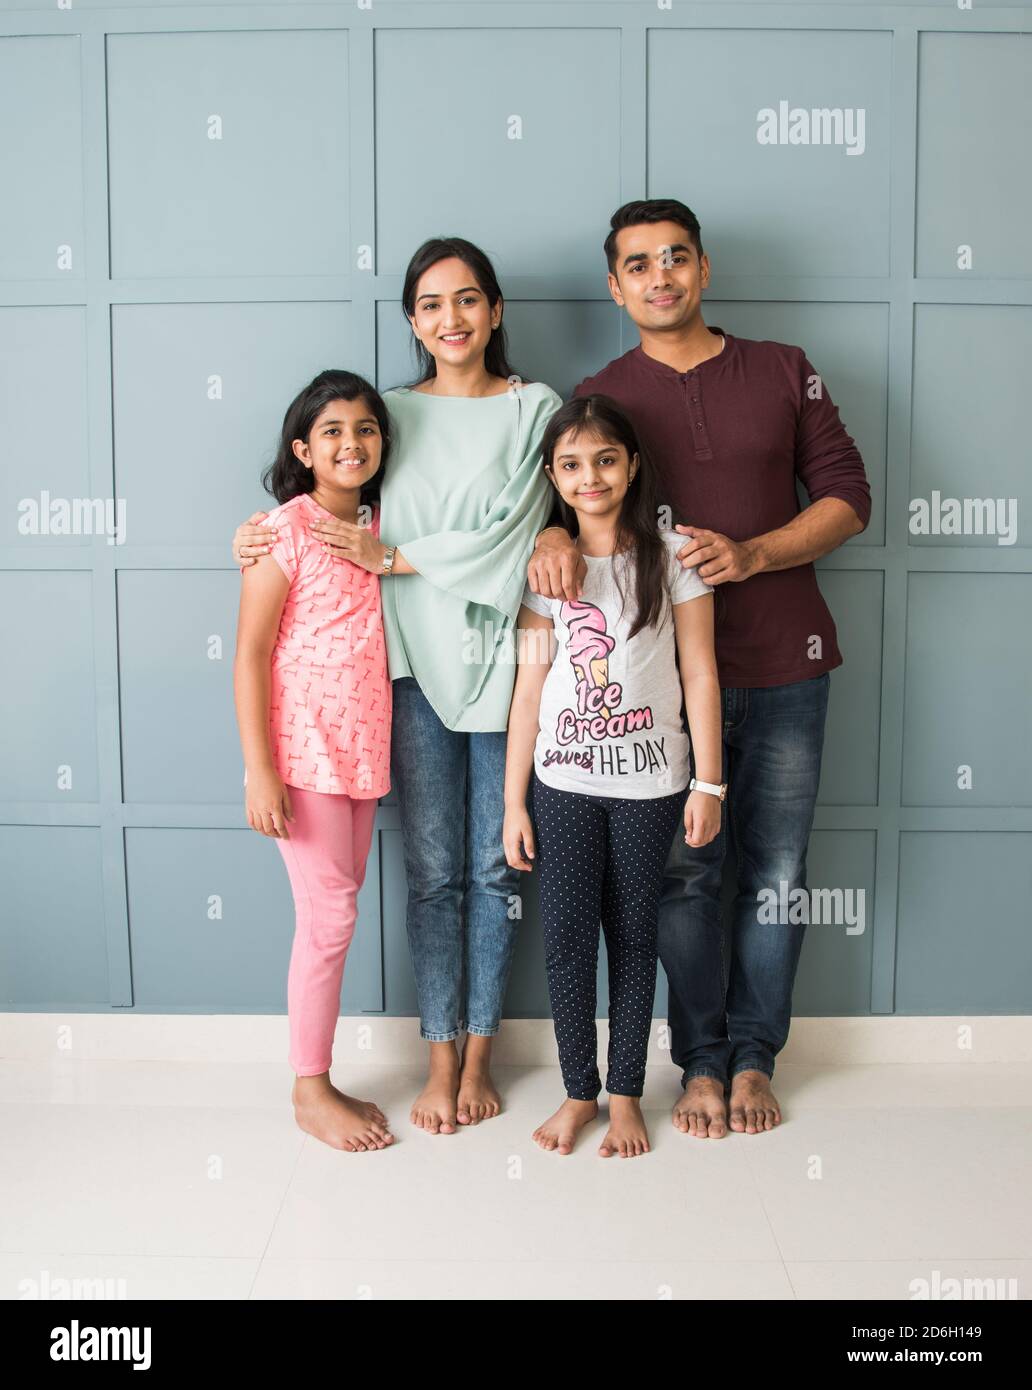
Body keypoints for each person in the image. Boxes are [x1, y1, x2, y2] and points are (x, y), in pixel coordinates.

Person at [528, 199, 872, 1138]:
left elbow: (849, 495)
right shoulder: (605, 385)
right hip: (654, 703)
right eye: (637, 265)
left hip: (786, 662)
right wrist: (554, 531)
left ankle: (756, 1059)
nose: (660, 277)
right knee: (682, 880)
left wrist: (757, 555)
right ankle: (700, 1064)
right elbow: (569, 489)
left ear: (704, 269)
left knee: (775, 869)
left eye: (676, 258)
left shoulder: (782, 369)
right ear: (615, 285)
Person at [233, 240, 560, 1134]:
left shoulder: (537, 409)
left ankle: (482, 1052)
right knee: (430, 874)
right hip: (405, 674)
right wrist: (256, 532)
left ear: (495, 309)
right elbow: (327, 500)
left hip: (503, 665)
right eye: (429, 304)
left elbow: (517, 530)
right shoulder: (390, 416)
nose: (449, 318)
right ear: (412, 320)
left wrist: (401, 556)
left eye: (467, 299)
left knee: (495, 867)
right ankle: (439, 1052)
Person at [504, 394, 722, 1158]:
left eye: (604, 459)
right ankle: (577, 1092)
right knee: (566, 938)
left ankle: (625, 1093)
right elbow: (528, 687)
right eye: (570, 464)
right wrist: (512, 802)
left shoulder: (672, 557)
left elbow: (700, 672)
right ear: (553, 477)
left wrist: (710, 784)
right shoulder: (545, 570)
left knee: (633, 935)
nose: (589, 476)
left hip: (653, 784)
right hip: (560, 784)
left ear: (631, 465)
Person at [233, 369, 394, 1152]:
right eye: (332, 431)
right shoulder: (281, 530)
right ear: (304, 449)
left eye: (365, 428)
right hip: (303, 757)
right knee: (328, 920)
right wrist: (258, 768)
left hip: (364, 754)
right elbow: (251, 651)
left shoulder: (379, 527)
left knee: (339, 913)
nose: (351, 443)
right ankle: (309, 1089)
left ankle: (316, 1077)